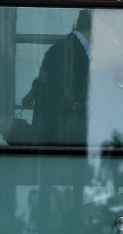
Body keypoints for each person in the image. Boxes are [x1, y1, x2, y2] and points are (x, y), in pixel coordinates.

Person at [23, 8, 93, 146]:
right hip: (65, 135)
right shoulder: (68, 51)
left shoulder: (67, 48)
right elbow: (59, 97)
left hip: (62, 134)